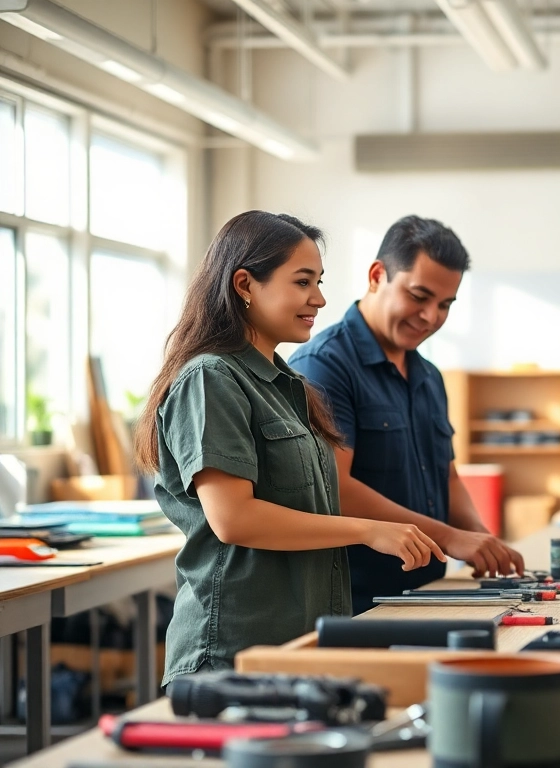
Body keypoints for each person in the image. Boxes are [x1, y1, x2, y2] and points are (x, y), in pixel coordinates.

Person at [135, 211, 444, 685]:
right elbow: (233, 519)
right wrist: (366, 530)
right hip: (232, 655)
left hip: (296, 647)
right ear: (245, 284)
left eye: (319, 282)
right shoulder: (210, 379)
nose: (318, 299)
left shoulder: (289, 385)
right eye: (303, 282)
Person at [290, 215, 525, 614]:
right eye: (419, 296)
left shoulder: (429, 376)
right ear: (377, 275)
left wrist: (482, 540)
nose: (432, 316)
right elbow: (335, 487)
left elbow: (446, 477)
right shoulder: (324, 365)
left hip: (428, 591)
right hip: (357, 604)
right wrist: (449, 538)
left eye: (445, 305)